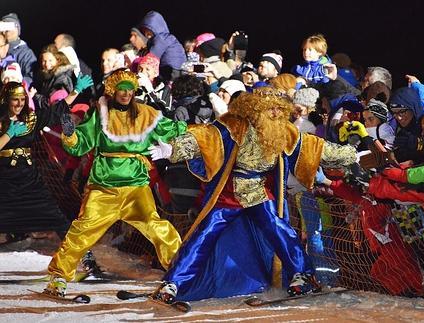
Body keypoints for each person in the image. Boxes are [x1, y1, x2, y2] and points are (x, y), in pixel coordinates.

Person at [147, 87, 358, 303]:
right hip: (229, 194)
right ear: (255, 109)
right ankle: (174, 283)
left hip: (260, 192)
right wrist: (173, 150)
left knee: (278, 228)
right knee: (205, 234)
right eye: (269, 109)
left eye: (278, 109)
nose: (275, 114)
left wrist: (352, 154)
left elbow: (315, 148)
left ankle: (301, 274)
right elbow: (206, 137)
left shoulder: (284, 131)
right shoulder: (235, 125)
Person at [45, 70, 186, 297]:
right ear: (113, 90)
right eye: (122, 89)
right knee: (82, 230)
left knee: (159, 229)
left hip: (136, 186)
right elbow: (80, 145)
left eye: (130, 89)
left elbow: (176, 129)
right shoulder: (99, 113)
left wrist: (184, 133)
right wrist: (70, 134)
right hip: (103, 186)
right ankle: (58, 277)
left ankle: (181, 276)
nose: (126, 94)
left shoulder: (146, 113)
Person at [0, 77, 91, 248]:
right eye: (15, 99)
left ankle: (84, 256)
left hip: (27, 174)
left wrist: (76, 91)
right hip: (5, 175)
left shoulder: (30, 119)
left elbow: (56, 111)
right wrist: (9, 134)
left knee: (54, 215)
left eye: (22, 99)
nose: (19, 103)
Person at [0, 13, 37, 86]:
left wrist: (18, 87)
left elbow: (31, 76)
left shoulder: (26, 53)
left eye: (11, 26)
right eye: (5, 27)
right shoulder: (3, 48)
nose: (7, 31)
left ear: (18, 29)